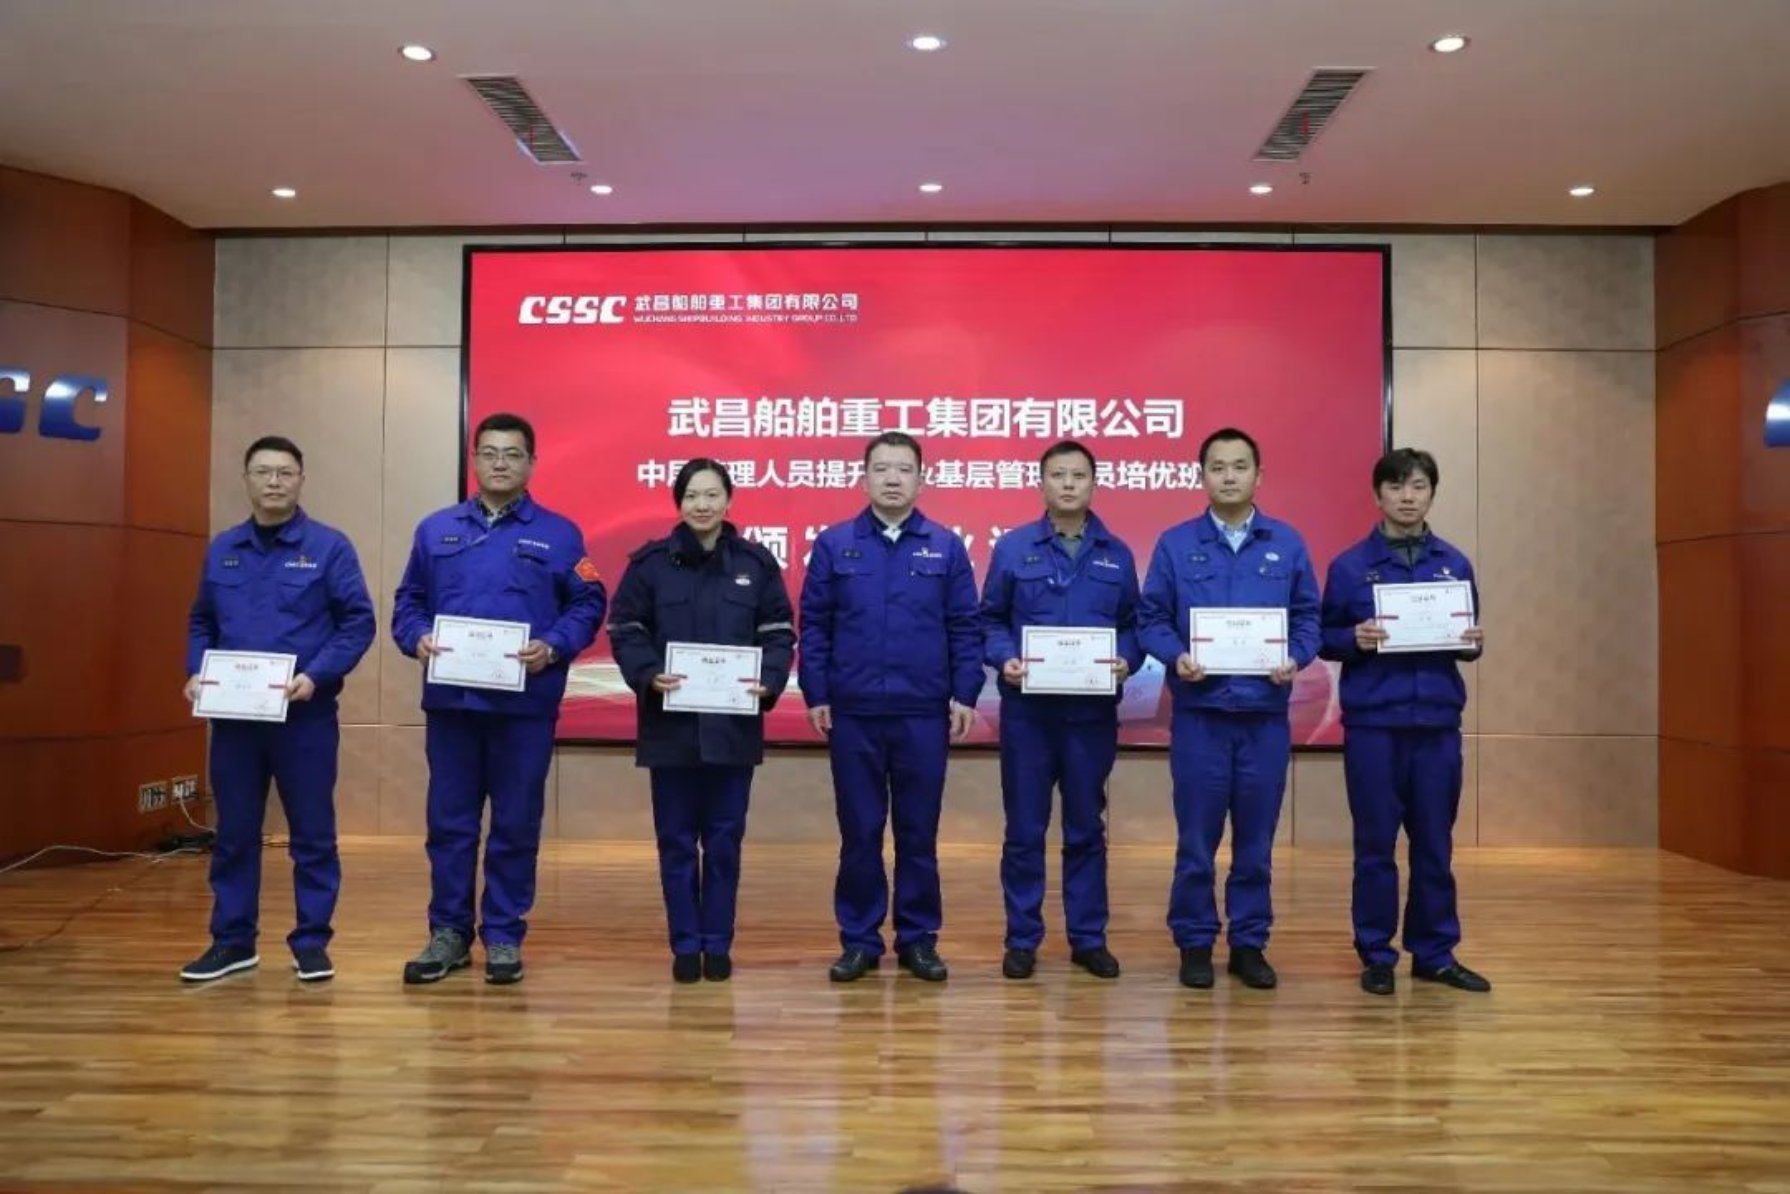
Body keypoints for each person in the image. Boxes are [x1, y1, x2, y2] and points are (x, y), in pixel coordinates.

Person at [391, 412, 606, 986]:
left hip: (523, 708)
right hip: (453, 705)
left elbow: (588, 602)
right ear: (474, 460)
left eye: (512, 454)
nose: (500, 463)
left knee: (515, 823)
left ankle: (505, 933)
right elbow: (408, 601)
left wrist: (554, 646)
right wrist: (417, 637)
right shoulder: (435, 530)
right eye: (489, 453)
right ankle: (448, 932)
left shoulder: (559, 534)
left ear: (531, 463)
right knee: (450, 824)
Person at [180, 435, 375, 983]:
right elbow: (201, 621)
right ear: (246, 479)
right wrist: (196, 671)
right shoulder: (224, 548)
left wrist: (317, 675)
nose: (273, 482)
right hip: (235, 721)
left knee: (312, 835)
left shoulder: (329, 547)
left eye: (285, 473)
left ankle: (311, 941)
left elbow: (357, 622)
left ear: (301, 480)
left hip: (303, 718)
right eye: (263, 472)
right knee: (234, 834)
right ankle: (232, 941)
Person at [1138, 427, 1320, 990]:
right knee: (1196, 842)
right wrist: (1176, 656)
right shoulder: (1175, 544)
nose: (1229, 476)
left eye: (1240, 466)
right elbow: (1151, 618)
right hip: (1201, 716)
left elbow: (1308, 618)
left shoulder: (1286, 543)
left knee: (1256, 844)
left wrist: (1295, 656)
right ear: (1202, 476)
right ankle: (1195, 942)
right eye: (1217, 467)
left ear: (1258, 476)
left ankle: (1248, 943)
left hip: (1264, 718)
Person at [799, 432, 983, 983]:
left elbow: (965, 627)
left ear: (921, 479)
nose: (893, 478)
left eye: (904, 469)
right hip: (853, 713)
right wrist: (817, 692)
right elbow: (816, 626)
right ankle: (859, 939)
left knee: (917, 833)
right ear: (865, 478)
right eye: (882, 468)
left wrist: (965, 692)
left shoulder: (946, 547)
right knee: (859, 832)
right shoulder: (834, 545)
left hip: (922, 712)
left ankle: (918, 939)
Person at [607, 459, 795, 983]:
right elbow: (625, 628)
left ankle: (718, 942)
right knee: (675, 843)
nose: (703, 505)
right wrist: (649, 673)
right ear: (678, 502)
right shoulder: (650, 564)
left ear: (728, 500)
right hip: (670, 727)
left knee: (724, 844)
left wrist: (770, 681)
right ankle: (686, 945)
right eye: (692, 495)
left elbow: (778, 632)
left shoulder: (755, 564)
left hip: (732, 729)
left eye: (712, 495)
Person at [1319, 447, 1490, 996]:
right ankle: (1376, 954)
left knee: (1435, 844)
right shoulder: (1350, 566)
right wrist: (1354, 638)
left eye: (1418, 486)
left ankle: (1434, 953)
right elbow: (1323, 637)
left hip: (1436, 724)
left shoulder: (1454, 564)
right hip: (1374, 725)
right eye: (1396, 487)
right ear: (1378, 495)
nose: (1407, 497)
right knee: (1375, 846)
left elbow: (1468, 636)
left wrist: (1471, 642)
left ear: (1432, 493)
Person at [979, 440, 1142, 980]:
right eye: (1058, 475)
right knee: (1025, 830)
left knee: (1086, 828)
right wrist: (1004, 658)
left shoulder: (1117, 554)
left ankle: (1088, 938)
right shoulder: (1013, 549)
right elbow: (990, 620)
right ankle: (1022, 938)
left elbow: (1133, 625)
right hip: (1029, 715)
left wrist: (1127, 659)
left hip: (1090, 717)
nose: (1068, 484)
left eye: (1078, 476)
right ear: (1041, 483)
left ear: (1094, 484)